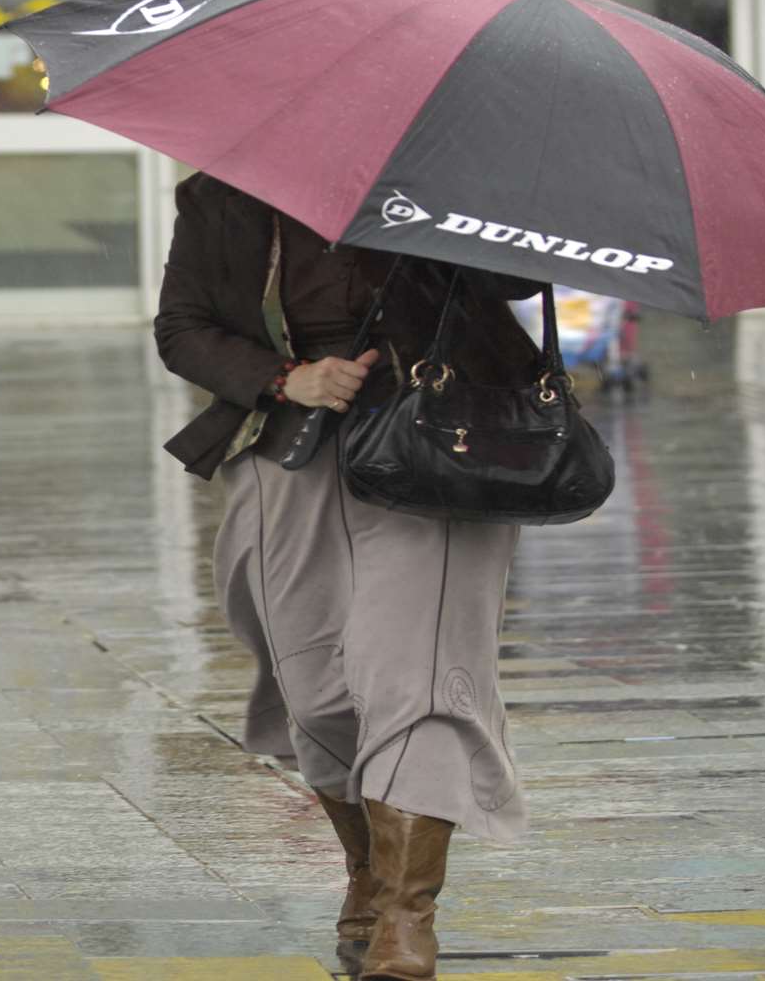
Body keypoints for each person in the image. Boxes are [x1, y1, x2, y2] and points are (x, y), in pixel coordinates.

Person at [154, 173, 542, 980]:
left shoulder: (450, 169)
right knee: (316, 687)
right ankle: (369, 867)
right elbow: (182, 328)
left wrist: (449, 211)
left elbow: (518, 279)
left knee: (415, 678)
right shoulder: (217, 196)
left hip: (444, 446)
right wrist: (282, 377)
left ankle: (406, 918)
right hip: (292, 445)